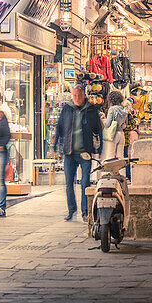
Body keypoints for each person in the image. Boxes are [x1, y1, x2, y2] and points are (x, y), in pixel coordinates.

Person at [53, 84, 103, 222]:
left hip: (85, 153)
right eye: (74, 95)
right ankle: (71, 210)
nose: (77, 98)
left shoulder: (92, 109)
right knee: (69, 183)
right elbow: (60, 126)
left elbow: (98, 130)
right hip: (69, 152)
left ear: (84, 95)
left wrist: (100, 150)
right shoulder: (67, 108)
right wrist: (55, 143)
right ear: (71, 96)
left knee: (85, 183)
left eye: (79, 95)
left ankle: (85, 212)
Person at [101, 89, 127, 163]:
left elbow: (108, 124)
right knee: (120, 158)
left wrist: (103, 120)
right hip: (121, 134)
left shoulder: (112, 109)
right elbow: (124, 125)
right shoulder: (124, 109)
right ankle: (121, 173)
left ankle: (110, 174)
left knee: (110, 157)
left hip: (112, 135)